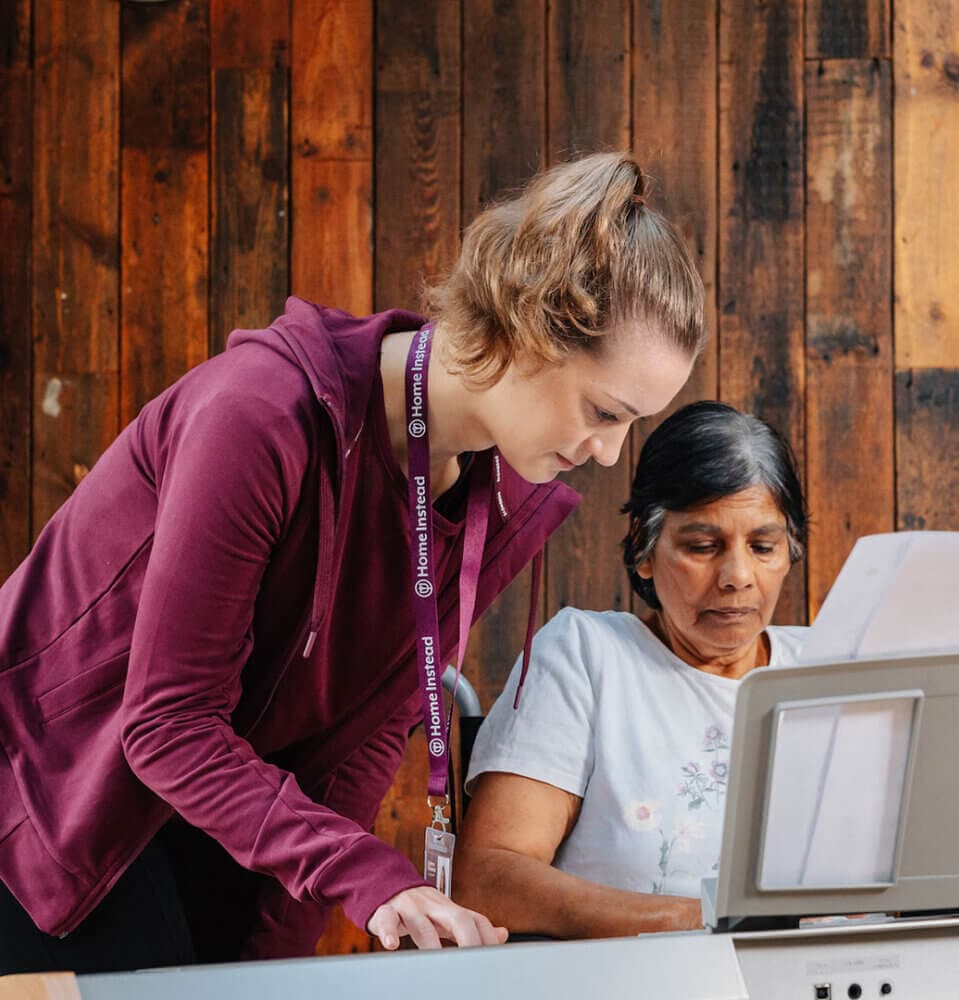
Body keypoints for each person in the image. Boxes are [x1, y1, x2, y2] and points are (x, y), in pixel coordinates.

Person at [0, 152, 703, 973]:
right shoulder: (259, 415)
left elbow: (364, 741)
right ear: (529, 326)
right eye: (603, 411)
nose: (610, 452)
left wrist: (276, 965)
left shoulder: (508, 496)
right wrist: (368, 876)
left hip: (212, 812)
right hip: (52, 797)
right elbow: (166, 725)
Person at [453, 401, 809, 939]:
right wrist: (707, 924)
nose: (738, 576)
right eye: (702, 546)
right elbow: (488, 878)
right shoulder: (588, 658)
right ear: (645, 548)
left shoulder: (831, 667)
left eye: (763, 546)